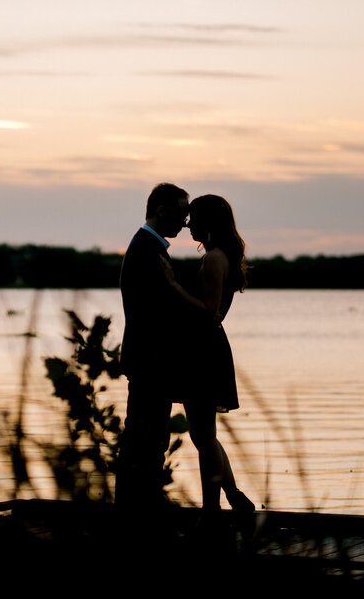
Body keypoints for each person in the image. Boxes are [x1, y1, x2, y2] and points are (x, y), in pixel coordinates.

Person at [162, 194, 254, 518]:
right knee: (204, 436)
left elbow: (209, 311)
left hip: (204, 353)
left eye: (194, 218)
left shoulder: (215, 259)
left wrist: (172, 287)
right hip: (201, 350)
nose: (188, 224)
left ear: (209, 222)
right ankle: (233, 498)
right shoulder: (218, 256)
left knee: (204, 436)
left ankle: (213, 509)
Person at [116, 182, 193, 509]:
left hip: (149, 359)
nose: (186, 221)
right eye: (182, 212)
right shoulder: (148, 250)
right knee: (144, 440)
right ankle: (137, 511)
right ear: (162, 210)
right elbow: (157, 311)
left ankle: (138, 508)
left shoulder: (149, 246)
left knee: (148, 438)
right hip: (151, 360)